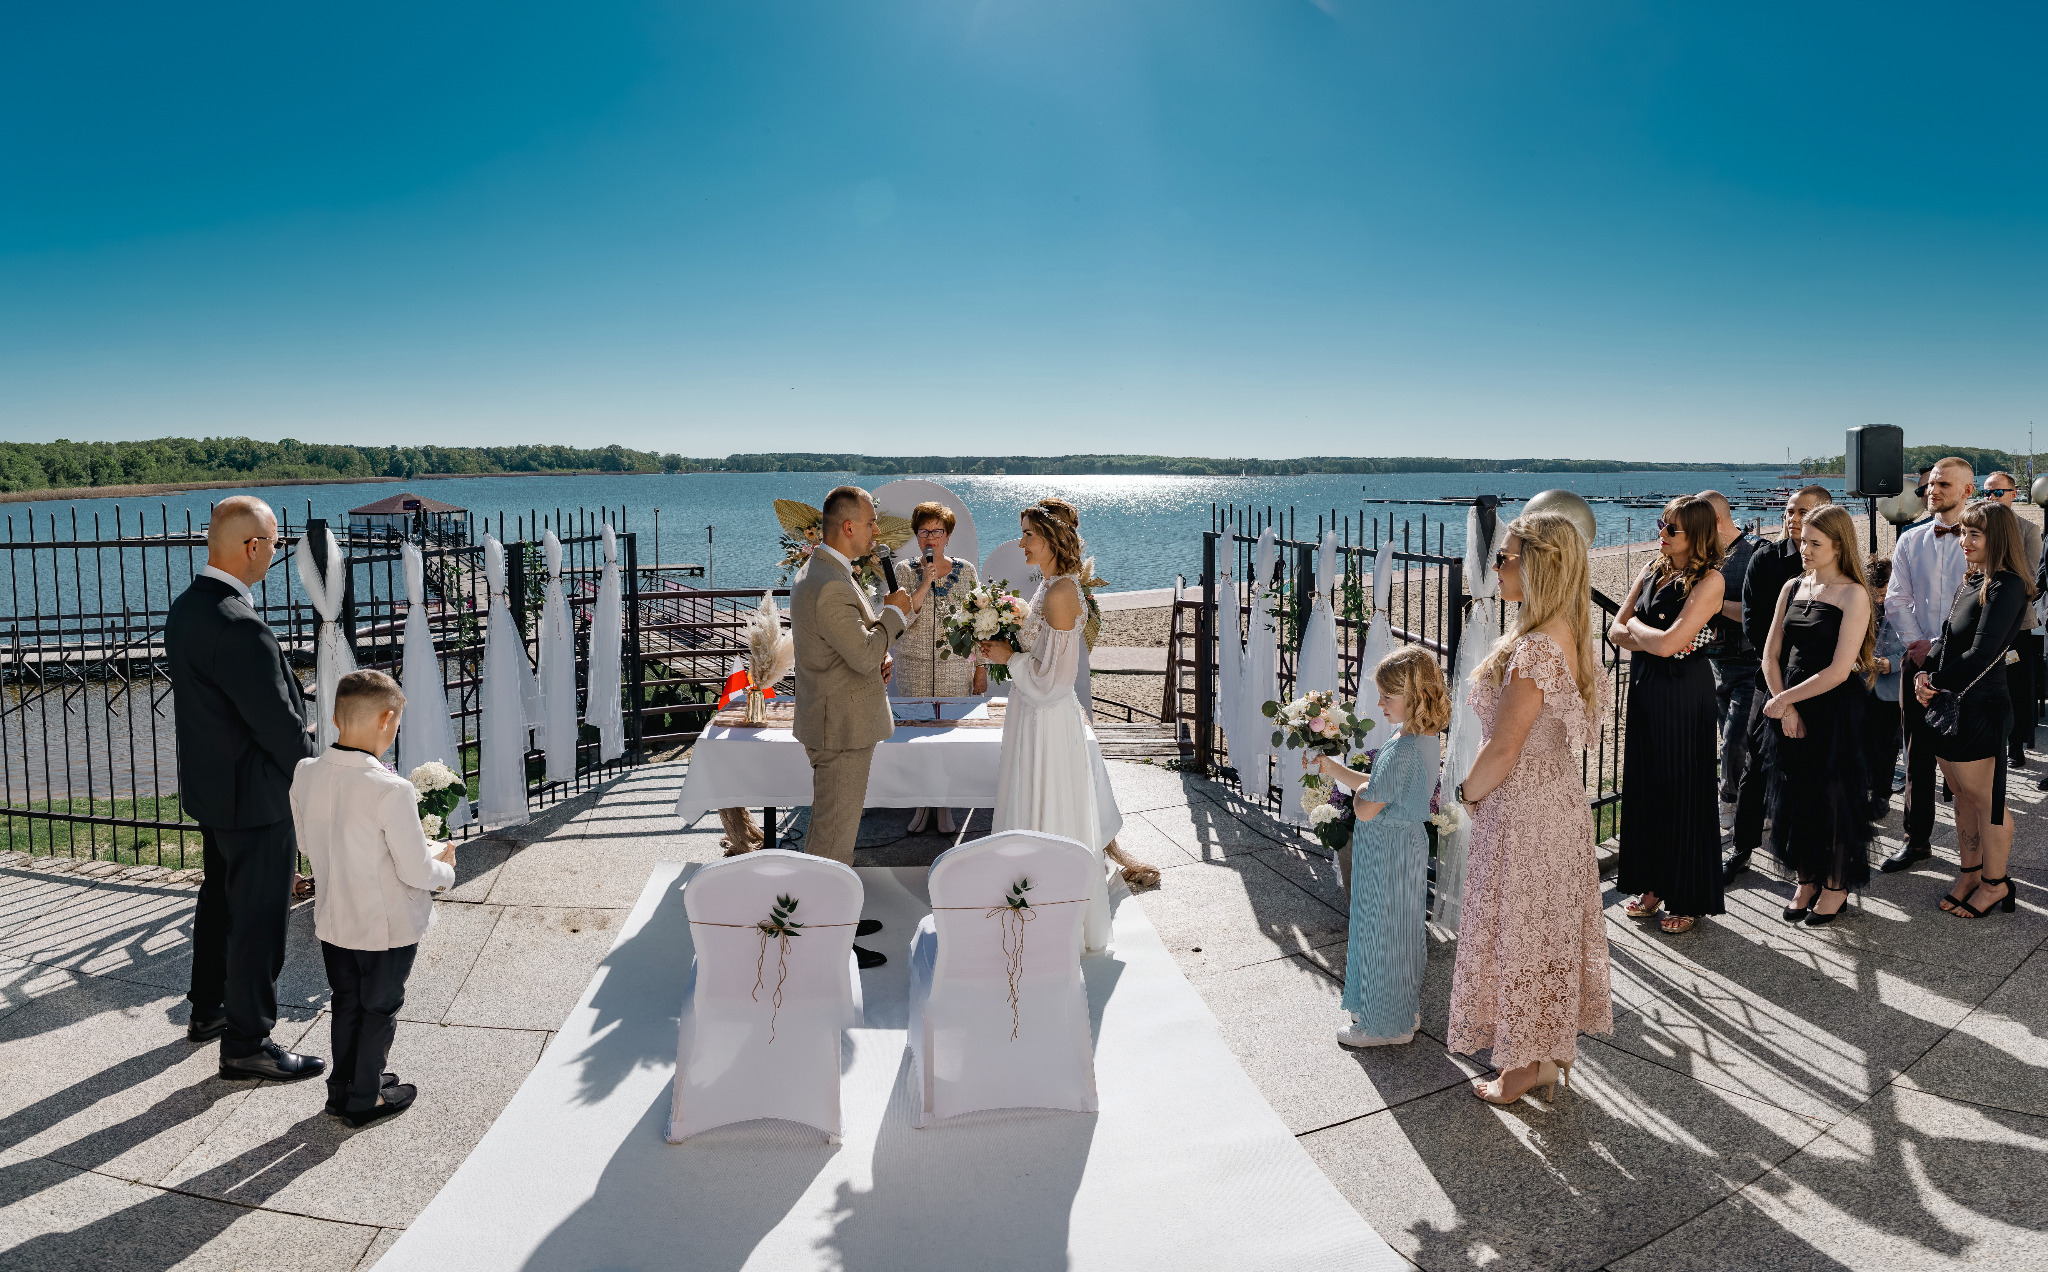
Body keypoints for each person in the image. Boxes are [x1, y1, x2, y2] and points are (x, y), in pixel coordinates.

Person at [1446, 512, 1612, 1107]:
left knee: (1522, 930)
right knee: (1541, 930)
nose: (1496, 567)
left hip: (1524, 809)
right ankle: (1539, 1058)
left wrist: (1462, 795)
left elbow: (1504, 746)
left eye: (1505, 557)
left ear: (1537, 564)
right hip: (1553, 800)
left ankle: (1521, 1068)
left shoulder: (1539, 647)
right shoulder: (1564, 629)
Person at [166, 496, 325, 1081]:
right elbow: (279, 728)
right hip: (256, 799)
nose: (277, 552)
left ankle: (207, 1011)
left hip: (212, 791)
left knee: (220, 902)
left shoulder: (186, 608)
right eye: (275, 542)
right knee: (260, 918)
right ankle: (247, 1041)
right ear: (251, 546)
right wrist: (317, 777)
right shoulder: (239, 624)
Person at [291, 670, 455, 1126]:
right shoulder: (391, 788)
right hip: (386, 926)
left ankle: (342, 1087)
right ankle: (365, 1098)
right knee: (379, 1008)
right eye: (397, 723)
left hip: (334, 918)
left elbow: (306, 843)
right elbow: (415, 871)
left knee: (346, 1002)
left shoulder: (306, 772)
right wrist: (446, 867)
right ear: (387, 719)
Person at [980, 498, 1118, 952]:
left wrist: (1008, 657)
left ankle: (1049, 917)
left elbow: (1055, 682)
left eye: (1028, 535)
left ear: (1052, 539)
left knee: (1046, 806)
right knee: (1028, 801)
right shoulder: (1048, 587)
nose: (1021, 542)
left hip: (1047, 718)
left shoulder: (1060, 592)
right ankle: (1027, 903)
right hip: (1031, 713)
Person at [790, 485, 918, 968]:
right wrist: (894, 616)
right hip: (838, 728)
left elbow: (853, 650)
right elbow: (862, 649)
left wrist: (876, 653)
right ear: (848, 527)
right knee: (831, 836)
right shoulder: (829, 584)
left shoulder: (828, 573)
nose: (875, 532)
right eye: (870, 524)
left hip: (839, 716)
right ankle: (823, 939)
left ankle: (835, 916)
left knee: (837, 829)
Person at [1312, 647, 1447, 1049]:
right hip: (1406, 845)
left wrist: (1356, 797)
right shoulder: (1421, 738)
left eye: (1388, 695)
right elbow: (1379, 785)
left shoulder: (1401, 749)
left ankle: (1382, 1026)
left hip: (1385, 851)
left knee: (1379, 931)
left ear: (1415, 695)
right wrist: (1338, 771)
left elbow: (1368, 807)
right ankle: (1401, 1009)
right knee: (1403, 931)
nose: (1379, 702)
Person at [1913, 501, 2035, 918]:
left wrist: (1936, 682)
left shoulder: (2008, 584)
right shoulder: (1974, 580)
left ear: (1996, 539)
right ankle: (1970, 872)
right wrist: (1925, 673)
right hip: (1951, 703)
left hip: (1981, 706)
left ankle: (1995, 884)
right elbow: (1947, 640)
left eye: (1974, 535)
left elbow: (1983, 653)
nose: (1963, 542)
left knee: (1986, 800)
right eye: (1963, 533)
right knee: (1962, 796)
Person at [1612, 496, 1727, 935]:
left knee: (1683, 791)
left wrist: (1642, 633)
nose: (1661, 532)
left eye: (1671, 528)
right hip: (1645, 689)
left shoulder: (1711, 581)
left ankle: (1689, 896)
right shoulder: (1650, 569)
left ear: (1696, 536)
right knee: (1648, 788)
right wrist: (1653, 636)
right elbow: (1613, 629)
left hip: (1683, 695)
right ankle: (1654, 884)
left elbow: (1661, 642)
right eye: (1661, 523)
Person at [1758, 505, 1877, 926]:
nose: (1803, 548)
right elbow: (1770, 654)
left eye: (1814, 543)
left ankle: (1835, 884)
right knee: (1794, 797)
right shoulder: (1792, 586)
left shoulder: (1853, 594)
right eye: (1802, 540)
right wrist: (1784, 704)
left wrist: (1785, 700)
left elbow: (1840, 669)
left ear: (1839, 545)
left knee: (1833, 798)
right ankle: (1806, 878)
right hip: (1787, 702)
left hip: (1832, 709)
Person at [1725, 485, 1833, 883]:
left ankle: (1810, 854)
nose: (1792, 518)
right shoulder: (1766, 560)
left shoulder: (1836, 569)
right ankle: (1742, 848)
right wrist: (1783, 694)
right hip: (1771, 680)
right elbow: (1756, 628)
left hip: (1823, 682)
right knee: (1757, 765)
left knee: (1816, 770)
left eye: (1803, 511)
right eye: (1789, 510)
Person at [1880, 458, 1974, 873]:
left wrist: (1945, 654)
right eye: (1929, 485)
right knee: (1916, 755)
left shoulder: (1982, 541)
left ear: (1968, 491)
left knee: (1968, 761)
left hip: (1968, 665)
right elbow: (1896, 599)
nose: (1932, 491)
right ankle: (1916, 841)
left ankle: (1977, 849)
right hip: (1916, 659)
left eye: (1943, 484)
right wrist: (1919, 647)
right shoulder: (1909, 541)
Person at [892, 500, 988, 834]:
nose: (930, 537)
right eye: (924, 531)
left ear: (947, 536)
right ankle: (922, 804)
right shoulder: (904, 571)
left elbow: (979, 623)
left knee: (948, 737)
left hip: (955, 669)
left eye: (937, 531)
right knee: (917, 738)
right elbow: (902, 619)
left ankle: (944, 805)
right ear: (917, 536)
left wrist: (981, 668)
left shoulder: (967, 571)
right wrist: (923, 583)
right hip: (913, 667)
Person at [1697, 490, 1761, 830]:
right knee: (1730, 736)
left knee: (1736, 736)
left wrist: (1715, 604)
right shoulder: (1703, 556)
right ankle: (1748, 800)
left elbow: (1757, 614)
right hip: (1712, 662)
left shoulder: (1754, 554)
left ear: (1716, 520)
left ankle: (1730, 802)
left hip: (1750, 663)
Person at [1982, 472, 2043, 768]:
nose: (1990, 498)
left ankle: (2015, 743)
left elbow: (2030, 578)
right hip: (1979, 619)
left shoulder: (2028, 530)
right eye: (1986, 493)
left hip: (2016, 623)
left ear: (2013, 494)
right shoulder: (1974, 526)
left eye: (1997, 493)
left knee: (2017, 684)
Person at [1866, 557, 1907, 820]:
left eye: (1884, 593)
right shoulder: (1863, 605)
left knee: (1887, 746)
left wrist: (1891, 663)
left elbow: (1918, 644)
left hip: (1891, 689)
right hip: (1862, 685)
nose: (1881, 599)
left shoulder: (1907, 606)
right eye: (1876, 594)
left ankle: (1881, 796)